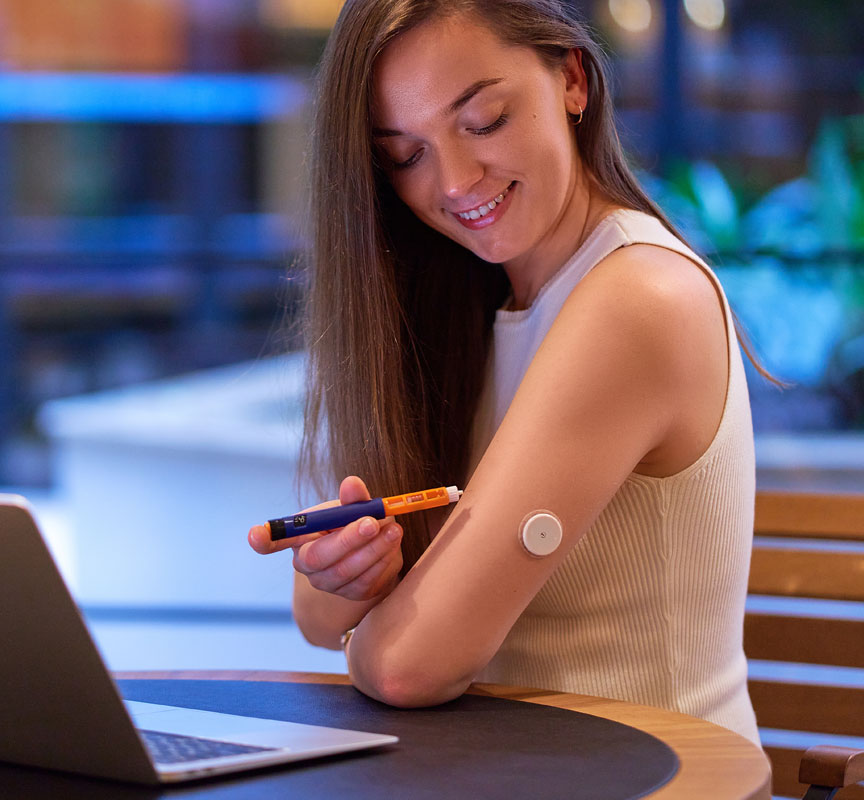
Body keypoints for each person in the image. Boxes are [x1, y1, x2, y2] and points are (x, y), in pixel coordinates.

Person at [247, 0, 763, 744]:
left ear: (573, 81)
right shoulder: (471, 302)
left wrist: (378, 632)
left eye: (484, 120)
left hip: (655, 776)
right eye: (405, 155)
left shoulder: (638, 299)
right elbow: (319, 624)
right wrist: (343, 576)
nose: (454, 182)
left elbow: (405, 668)